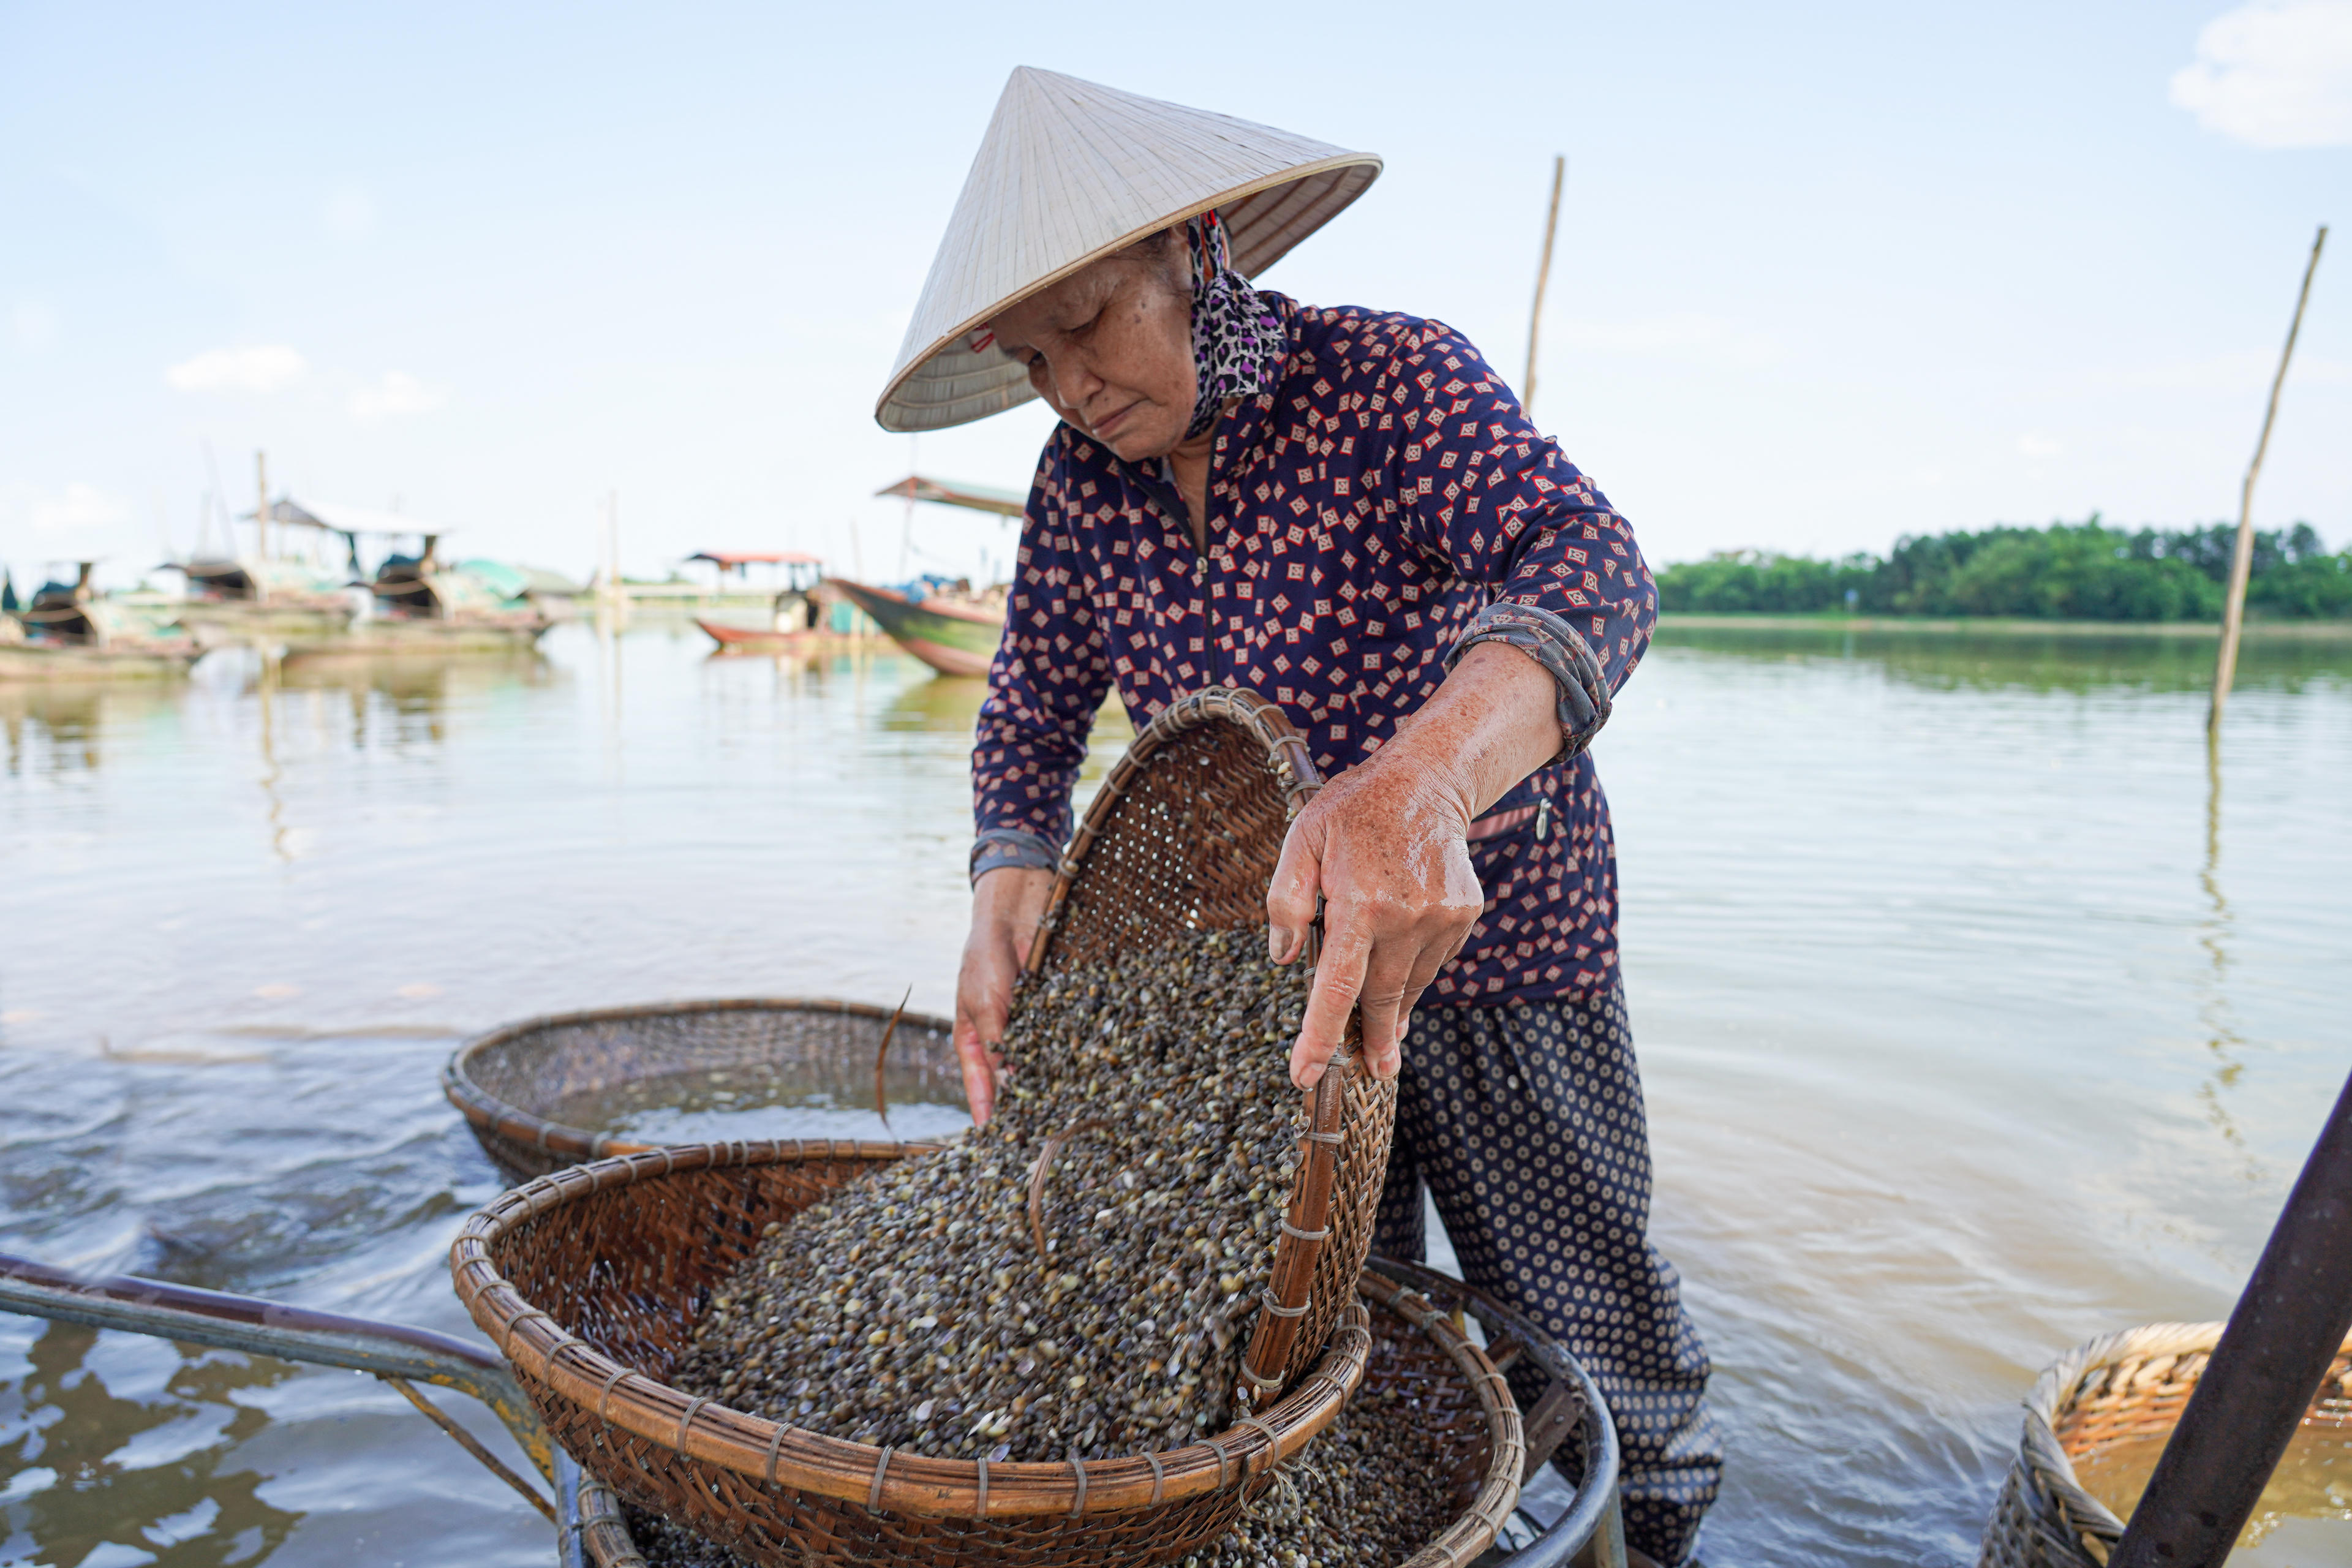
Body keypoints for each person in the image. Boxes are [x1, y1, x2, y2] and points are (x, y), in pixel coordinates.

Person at [877, 67, 1722, 1567]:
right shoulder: (1079, 485)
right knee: (1326, 1328)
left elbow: (1590, 559)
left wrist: (1424, 777)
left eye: (1088, 322)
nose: (1069, 382)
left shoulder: (1389, 383)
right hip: (1267, 983)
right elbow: (1027, 710)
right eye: (1032, 355)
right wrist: (1010, 861)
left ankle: (1645, 1537)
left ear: (1196, 250)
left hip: (1501, 942)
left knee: (1585, 1319)